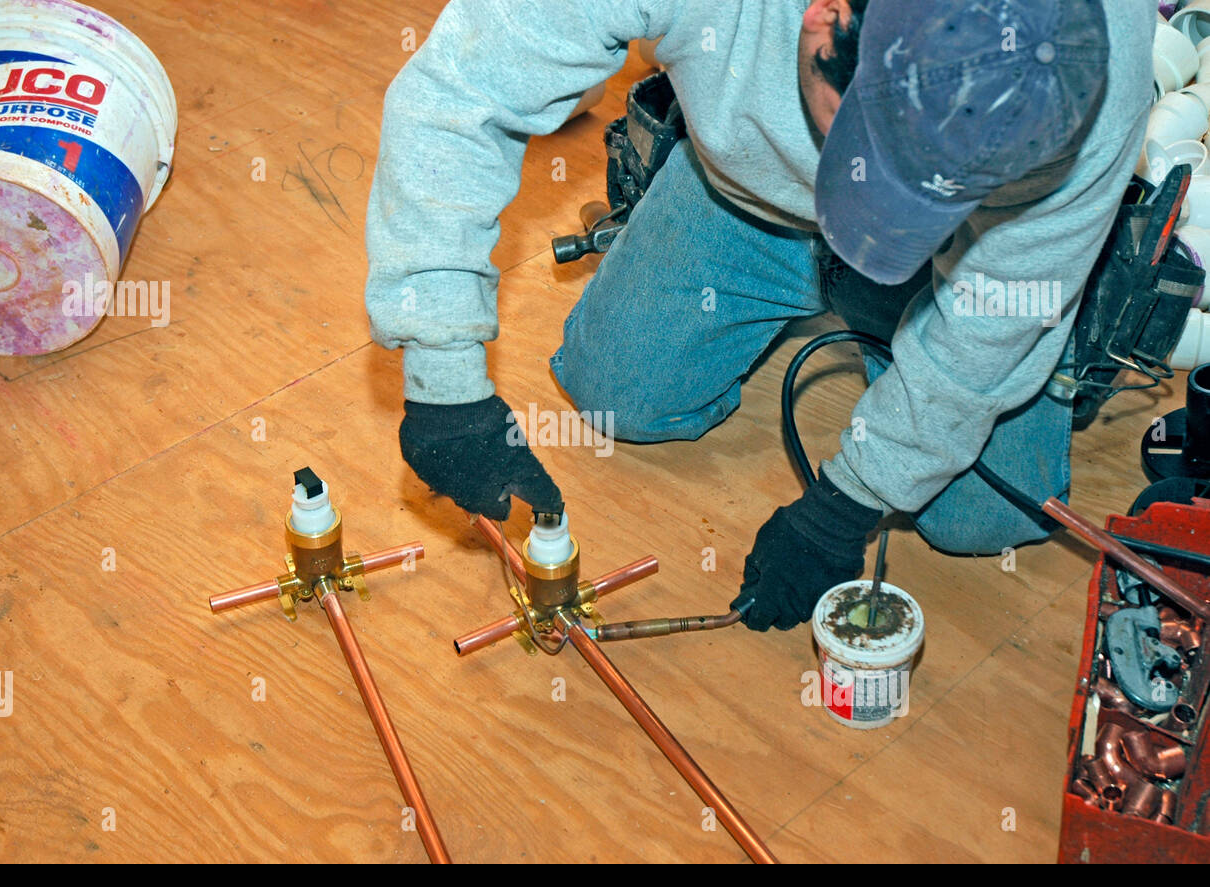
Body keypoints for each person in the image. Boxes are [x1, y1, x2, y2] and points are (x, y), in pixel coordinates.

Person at [365, 0, 1151, 631]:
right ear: (823, 21)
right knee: (618, 393)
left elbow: (999, 308)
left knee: (976, 519)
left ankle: (977, 310)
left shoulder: (1094, 64)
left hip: (966, 261)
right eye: (869, 162)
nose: (872, 222)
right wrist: (445, 378)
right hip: (750, 195)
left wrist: (851, 501)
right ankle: (775, 233)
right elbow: (457, 99)